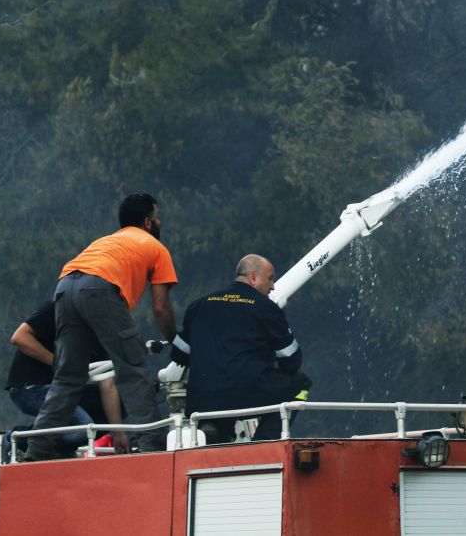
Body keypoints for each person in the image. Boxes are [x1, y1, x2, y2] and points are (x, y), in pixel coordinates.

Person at [27, 193, 178, 460]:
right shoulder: (155, 247)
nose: (159, 221)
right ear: (147, 221)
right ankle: (154, 449)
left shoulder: (106, 241)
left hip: (65, 285)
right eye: (157, 216)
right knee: (132, 369)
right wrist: (176, 342)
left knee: (67, 378)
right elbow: (160, 307)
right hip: (98, 288)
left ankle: (35, 452)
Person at [170, 254, 311, 442]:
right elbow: (291, 358)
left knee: (218, 391)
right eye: (270, 279)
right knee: (300, 382)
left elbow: (179, 354)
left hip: (203, 401)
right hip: (247, 397)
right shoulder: (266, 308)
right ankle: (264, 441)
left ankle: (214, 430)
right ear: (253, 278)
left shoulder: (199, 305)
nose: (273, 286)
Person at [5, 300, 129, 455]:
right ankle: (16, 439)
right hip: (30, 387)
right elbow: (19, 337)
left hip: (68, 390)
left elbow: (107, 383)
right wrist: (59, 365)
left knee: (124, 398)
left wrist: (118, 432)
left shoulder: (102, 332)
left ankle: (60, 450)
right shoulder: (60, 308)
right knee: (83, 429)